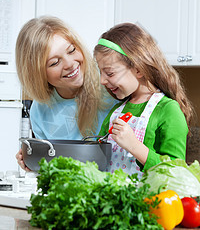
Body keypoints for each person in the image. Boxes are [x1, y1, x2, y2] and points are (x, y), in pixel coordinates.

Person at [94, 22, 194, 179]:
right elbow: (97, 157)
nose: (102, 81)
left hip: (149, 201)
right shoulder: (116, 111)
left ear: (138, 69)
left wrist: (134, 146)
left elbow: (176, 173)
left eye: (110, 73)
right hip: (113, 200)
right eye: (101, 73)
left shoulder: (168, 110)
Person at [15, 16, 116, 171]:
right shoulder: (40, 111)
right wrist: (36, 164)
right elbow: (54, 164)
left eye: (72, 50)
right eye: (55, 62)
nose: (70, 64)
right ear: (37, 74)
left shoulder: (111, 83)